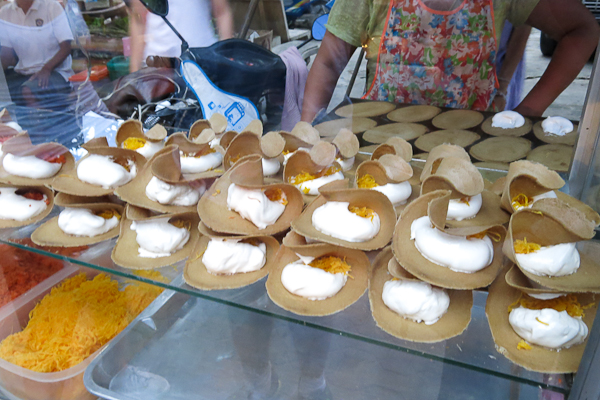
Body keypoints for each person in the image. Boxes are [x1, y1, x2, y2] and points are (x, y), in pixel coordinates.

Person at [301, 0, 600, 121]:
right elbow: (328, 63)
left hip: (470, 148)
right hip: (381, 148)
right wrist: (308, 139)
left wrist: (527, 112)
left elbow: (583, 31)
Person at [0, 0, 74, 111]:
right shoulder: (5, 13)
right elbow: (7, 55)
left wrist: (46, 69)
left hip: (56, 72)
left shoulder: (52, 6)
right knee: (5, 90)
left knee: (27, 91)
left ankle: (39, 122)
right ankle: (16, 126)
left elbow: (66, 47)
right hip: (24, 73)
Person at [128, 0, 233, 72]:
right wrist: (134, 72)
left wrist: (228, 59)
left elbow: (222, 12)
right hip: (157, 67)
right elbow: (138, 20)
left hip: (202, 62)